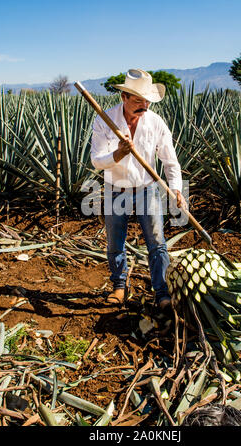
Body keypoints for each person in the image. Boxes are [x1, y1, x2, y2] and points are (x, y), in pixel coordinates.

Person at [90, 69, 186, 311]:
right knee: (115, 242)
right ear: (124, 96)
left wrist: (175, 189)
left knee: (157, 242)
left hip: (147, 188)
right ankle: (119, 286)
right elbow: (96, 161)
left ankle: (161, 292)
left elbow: (169, 159)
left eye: (147, 100)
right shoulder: (104, 120)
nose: (144, 105)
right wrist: (118, 153)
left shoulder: (155, 123)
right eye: (138, 100)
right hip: (116, 188)